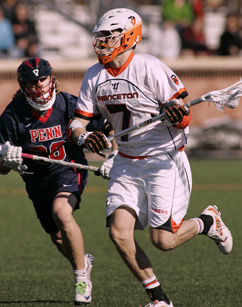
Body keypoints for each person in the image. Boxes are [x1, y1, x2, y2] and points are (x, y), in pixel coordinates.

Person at [69, 8, 233, 307]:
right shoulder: (94, 74)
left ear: (128, 37)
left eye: (109, 36)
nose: (102, 42)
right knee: (119, 234)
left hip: (163, 161)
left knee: (163, 241)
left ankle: (207, 222)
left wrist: (175, 115)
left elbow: (182, 116)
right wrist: (83, 136)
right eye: (101, 36)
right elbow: (77, 122)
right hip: (125, 162)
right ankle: (159, 300)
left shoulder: (148, 66)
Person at [0, 57, 113, 305]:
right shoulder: (12, 115)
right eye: (32, 81)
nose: (38, 85)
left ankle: (81, 277)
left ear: (51, 77)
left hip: (69, 169)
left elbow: (108, 128)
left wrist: (114, 156)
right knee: (58, 236)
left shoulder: (69, 103)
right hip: (37, 180)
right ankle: (83, 262)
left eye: (42, 79)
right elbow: (3, 169)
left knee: (62, 212)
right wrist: (7, 160)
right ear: (22, 85)